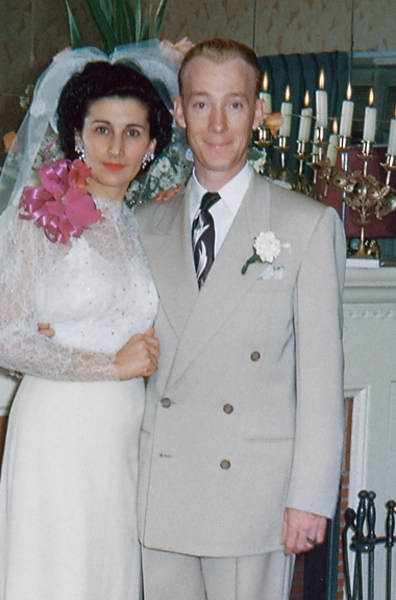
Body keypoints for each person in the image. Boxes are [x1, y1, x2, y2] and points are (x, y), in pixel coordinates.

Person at [135, 38, 346, 600]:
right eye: (201, 104)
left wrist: (310, 497)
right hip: (161, 490)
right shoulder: (143, 225)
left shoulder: (306, 225)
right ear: (179, 113)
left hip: (252, 496)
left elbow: (322, 379)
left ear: (258, 111)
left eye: (235, 103)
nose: (218, 123)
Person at [0, 44, 177, 600]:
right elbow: (0, 337)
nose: (116, 147)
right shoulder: (39, 214)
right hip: (59, 429)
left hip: (122, 434)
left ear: (154, 144)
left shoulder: (143, 225)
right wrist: (110, 365)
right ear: (75, 135)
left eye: (133, 132)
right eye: (101, 129)